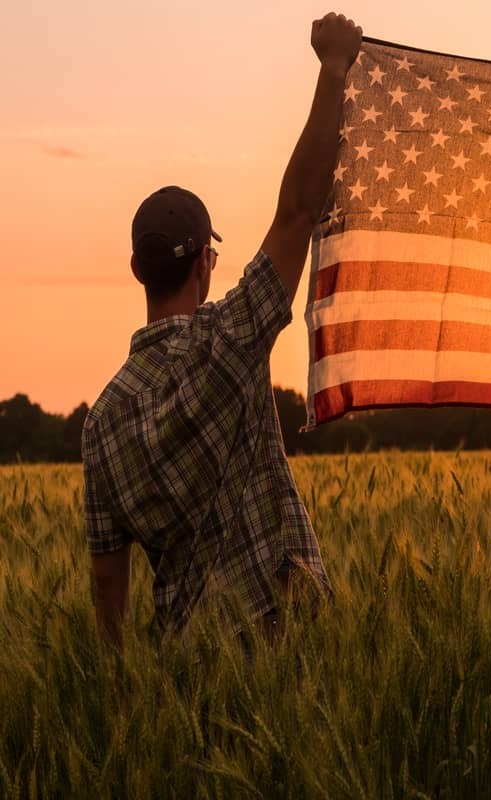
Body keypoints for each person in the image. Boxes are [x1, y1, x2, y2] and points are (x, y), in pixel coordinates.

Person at [82, 13, 363, 644]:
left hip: (184, 678)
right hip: (284, 648)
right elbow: (297, 214)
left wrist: (116, 698)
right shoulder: (229, 340)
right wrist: (332, 67)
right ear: (207, 263)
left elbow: (108, 589)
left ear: (136, 270)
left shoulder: (100, 425)